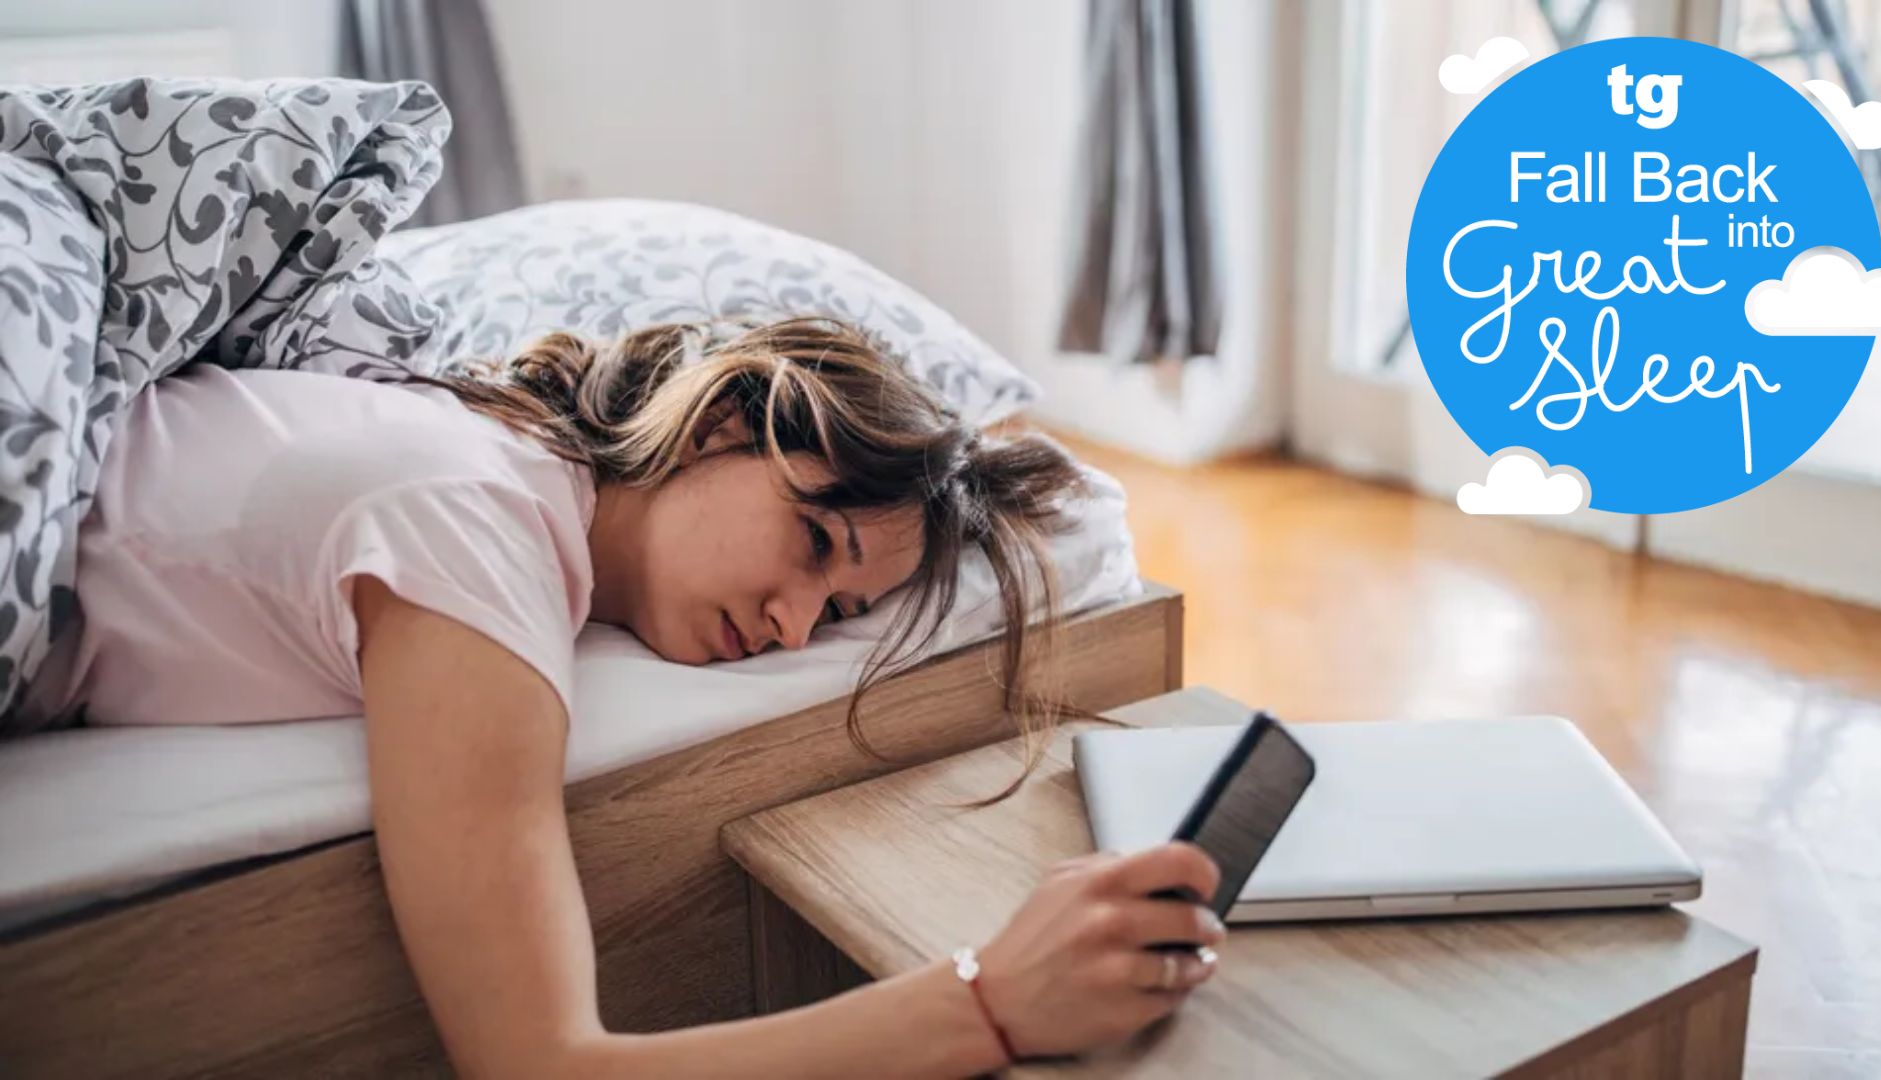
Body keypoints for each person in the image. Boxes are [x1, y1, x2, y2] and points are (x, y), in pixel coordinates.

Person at [12, 317, 1225, 1075]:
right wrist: (992, 1004)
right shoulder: (472, 524)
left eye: (842, 616)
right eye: (814, 546)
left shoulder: (489, 464)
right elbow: (541, 1063)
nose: (795, 627)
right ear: (719, 427)